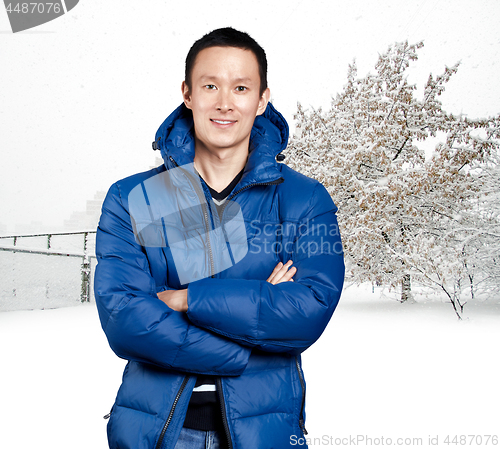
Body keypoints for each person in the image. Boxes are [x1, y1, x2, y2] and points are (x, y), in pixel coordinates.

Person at [94, 27, 344, 449]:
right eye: (210, 85)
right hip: (154, 433)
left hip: (264, 433)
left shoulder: (305, 199)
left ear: (262, 99)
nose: (225, 102)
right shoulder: (131, 198)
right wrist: (252, 329)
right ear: (188, 94)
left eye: (241, 87)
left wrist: (186, 300)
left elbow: (307, 313)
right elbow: (125, 321)